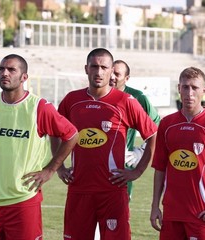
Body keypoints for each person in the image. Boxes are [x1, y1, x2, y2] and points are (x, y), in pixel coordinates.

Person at [53, 48, 157, 240]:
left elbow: (152, 134)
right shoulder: (72, 100)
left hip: (112, 190)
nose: (99, 72)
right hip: (78, 189)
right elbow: (55, 131)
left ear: (111, 71)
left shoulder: (125, 101)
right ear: (86, 69)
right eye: (94, 66)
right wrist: (59, 167)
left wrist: (138, 171)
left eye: (104, 67)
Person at [0, 54, 78, 240]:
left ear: (24, 77)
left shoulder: (39, 107)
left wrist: (51, 170)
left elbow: (71, 135)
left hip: (23, 200)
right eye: (1, 69)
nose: (5, 73)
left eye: (11, 70)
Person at [150, 67, 205, 240]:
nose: (189, 93)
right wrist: (155, 206)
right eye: (185, 87)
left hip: (201, 215)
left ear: (204, 91)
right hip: (172, 214)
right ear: (179, 88)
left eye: (195, 88)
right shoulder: (167, 124)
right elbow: (160, 168)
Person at [111, 59, 160, 200]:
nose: (112, 77)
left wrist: (141, 152)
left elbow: (157, 125)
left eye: (117, 74)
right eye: (111, 72)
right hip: (94, 167)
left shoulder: (136, 97)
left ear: (126, 79)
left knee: (119, 214)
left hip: (122, 168)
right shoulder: (96, 95)